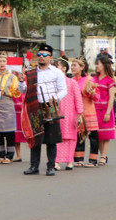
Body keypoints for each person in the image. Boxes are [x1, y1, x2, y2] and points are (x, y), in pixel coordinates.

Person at [24, 44, 67, 176]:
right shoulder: (31, 72)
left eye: (44, 55)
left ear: (51, 57)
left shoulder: (56, 72)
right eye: (39, 55)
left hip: (50, 107)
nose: (41, 58)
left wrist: (55, 98)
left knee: (51, 138)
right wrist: (21, 82)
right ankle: (34, 166)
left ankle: (51, 166)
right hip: (35, 107)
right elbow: (23, 91)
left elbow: (63, 90)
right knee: (35, 137)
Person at [54, 58, 83, 171]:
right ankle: (56, 161)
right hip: (56, 113)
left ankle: (69, 161)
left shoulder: (72, 82)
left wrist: (80, 113)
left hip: (70, 114)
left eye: (58, 66)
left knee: (70, 138)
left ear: (64, 68)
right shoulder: (52, 83)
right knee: (57, 137)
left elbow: (78, 99)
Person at [72, 57, 99, 167]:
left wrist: (92, 93)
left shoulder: (89, 80)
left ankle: (93, 159)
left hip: (88, 110)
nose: (72, 67)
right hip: (77, 112)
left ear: (82, 67)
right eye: (72, 65)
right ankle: (79, 158)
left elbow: (97, 97)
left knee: (92, 135)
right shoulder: (72, 80)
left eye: (75, 65)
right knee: (78, 135)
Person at [93, 55, 116, 166]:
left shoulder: (110, 81)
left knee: (106, 135)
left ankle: (103, 156)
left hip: (105, 110)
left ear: (104, 65)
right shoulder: (93, 79)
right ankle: (102, 154)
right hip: (94, 110)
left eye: (98, 63)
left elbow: (111, 98)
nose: (96, 66)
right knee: (97, 135)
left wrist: (108, 112)